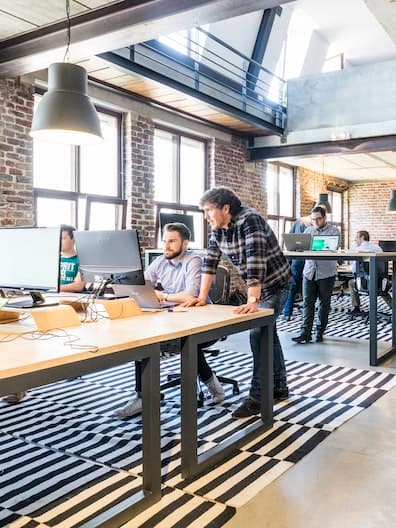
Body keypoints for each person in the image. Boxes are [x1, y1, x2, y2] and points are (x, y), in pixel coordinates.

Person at [184, 186, 291, 419]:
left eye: (208, 210)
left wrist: (253, 300)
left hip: (276, 283)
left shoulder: (249, 220)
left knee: (258, 333)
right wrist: (201, 297)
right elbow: (209, 263)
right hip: (260, 286)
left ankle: (259, 398)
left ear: (225, 208)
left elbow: (255, 261)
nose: (206, 216)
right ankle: (280, 388)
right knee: (267, 335)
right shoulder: (218, 229)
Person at [116, 222, 225, 418]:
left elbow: (191, 295)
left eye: (172, 241)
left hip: (203, 322)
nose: (166, 246)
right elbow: (141, 284)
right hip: (173, 317)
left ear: (185, 243)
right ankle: (145, 396)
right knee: (142, 339)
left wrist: (163, 296)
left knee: (188, 341)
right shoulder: (160, 261)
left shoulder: (194, 261)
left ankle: (213, 386)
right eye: (165, 241)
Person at [3, 224, 85, 404]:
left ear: (73, 239)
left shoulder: (81, 259)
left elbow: (78, 286)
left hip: (69, 302)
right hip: (48, 298)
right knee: (19, 332)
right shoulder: (53, 259)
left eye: (63, 238)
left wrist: (51, 287)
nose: (60, 242)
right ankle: (17, 383)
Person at [292, 206, 340, 344]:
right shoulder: (308, 231)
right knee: (307, 303)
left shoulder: (334, 231)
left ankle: (319, 331)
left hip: (326, 273)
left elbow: (331, 247)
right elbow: (305, 249)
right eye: (313, 219)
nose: (316, 222)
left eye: (318, 219)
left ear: (324, 218)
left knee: (324, 303)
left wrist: (316, 246)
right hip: (309, 272)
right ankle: (305, 332)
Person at [349, 230, 392, 314]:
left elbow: (354, 270)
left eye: (356, 238)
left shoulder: (358, 250)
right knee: (380, 287)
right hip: (381, 282)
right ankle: (393, 306)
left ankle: (356, 308)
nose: (355, 240)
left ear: (362, 238)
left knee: (351, 283)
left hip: (365, 283)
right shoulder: (378, 248)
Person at [283, 216, 311, 320]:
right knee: (309, 285)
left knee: (293, 286)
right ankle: (307, 314)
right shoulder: (310, 224)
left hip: (297, 258)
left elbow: (289, 240)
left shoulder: (299, 221)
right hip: (309, 259)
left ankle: (287, 312)